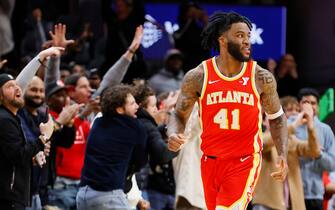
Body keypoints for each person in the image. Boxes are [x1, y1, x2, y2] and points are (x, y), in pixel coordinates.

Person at [167, 12, 288, 210]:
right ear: (222, 40)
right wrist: (172, 133)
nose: (247, 41)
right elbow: (179, 115)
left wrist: (282, 151)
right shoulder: (198, 76)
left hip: (244, 161)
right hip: (210, 162)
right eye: (240, 35)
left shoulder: (261, 77)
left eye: (248, 36)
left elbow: (277, 118)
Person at [0, 46, 62, 210]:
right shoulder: (3, 119)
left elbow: (13, 155)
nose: (18, 87)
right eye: (10, 86)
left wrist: (40, 57)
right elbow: (18, 155)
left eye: (17, 85)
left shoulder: (10, 115)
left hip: (17, 195)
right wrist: (43, 138)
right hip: (8, 199)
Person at [76, 84, 148, 210]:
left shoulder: (98, 122)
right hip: (108, 195)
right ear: (119, 109)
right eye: (132, 104)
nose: (137, 106)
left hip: (83, 194)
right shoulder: (135, 127)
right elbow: (140, 161)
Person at [253, 97, 321, 210]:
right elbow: (266, 142)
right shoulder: (259, 139)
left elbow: (314, 151)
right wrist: (293, 126)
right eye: (272, 119)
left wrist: (310, 126)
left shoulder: (290, 140)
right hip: (266, 204)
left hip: (293, 205)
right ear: (264, 122)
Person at [290, 88, 335, 210]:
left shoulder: (326, 130)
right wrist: (308, 148)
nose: (309, 106)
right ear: (299, 105)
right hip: (291, 194)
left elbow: (332, 165)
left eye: (313, 103)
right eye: (305, 103)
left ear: (318, 107)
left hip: (315, 194)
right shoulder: (289, 125)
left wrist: (318, 154)